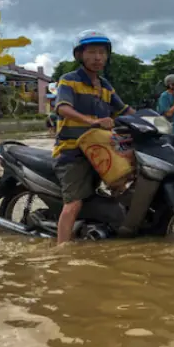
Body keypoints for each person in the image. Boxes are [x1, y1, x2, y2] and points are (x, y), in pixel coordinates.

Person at [53, 30, 135, 245]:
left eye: (102, 52)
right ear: (80, 55)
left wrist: (152, 122)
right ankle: (61, 250)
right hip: (72, 153)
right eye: (91, 52)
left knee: (122, 185)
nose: (98, 57)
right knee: (73, 204)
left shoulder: (105, 85)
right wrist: (91, 121)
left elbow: (125, 110)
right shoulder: (68, 81)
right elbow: (62, 107)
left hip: (101, 149)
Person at [156, 74, 174, 152]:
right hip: (165, 130)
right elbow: (168, 113)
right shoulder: (164, 96)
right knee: (169, 153)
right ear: (171, 85)